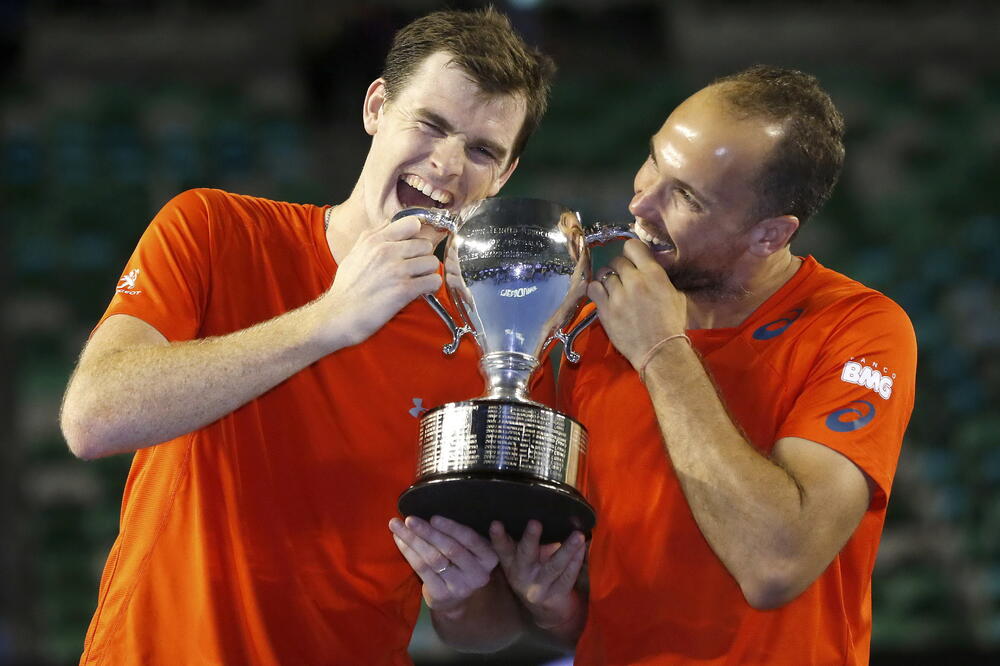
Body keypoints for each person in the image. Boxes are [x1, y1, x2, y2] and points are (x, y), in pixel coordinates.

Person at [59, 8, 555, 664]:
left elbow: (487, 626)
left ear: (504, 176)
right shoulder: (214, 229)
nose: (445, 164)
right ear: (377, 106)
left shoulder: (500, 348)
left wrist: (460, 597)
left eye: (482, 149)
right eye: (430, 124)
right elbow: (94, 418)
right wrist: (331, 318)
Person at [491, 65, 918, 664]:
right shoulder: (590, 326)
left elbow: (775, 565)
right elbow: (605, 595)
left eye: (686, 196)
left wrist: (662, 351)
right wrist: (554, 607)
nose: (641, 201)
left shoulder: (857, 328)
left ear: (769, 234)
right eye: (653, 161)